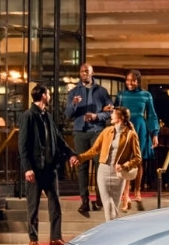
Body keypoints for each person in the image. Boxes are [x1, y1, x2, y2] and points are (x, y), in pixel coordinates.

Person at [19, 84, 76, 245]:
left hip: (50, 168)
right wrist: (27, 168)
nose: (50, 96)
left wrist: (71, 154)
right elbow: (22, 145)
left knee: (55, 204)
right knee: (33, 206)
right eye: (49, 93)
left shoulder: (48, 116)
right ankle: (33, 238)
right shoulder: (28, 116)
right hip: (35, 169)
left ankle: (55, 237)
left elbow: (58, 139)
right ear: (43, 95)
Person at [70, 107, 141, 222]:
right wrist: (80, 157)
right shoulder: (107, 131)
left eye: (113, 114)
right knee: (108, 203)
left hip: (118, 174)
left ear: (121, 118)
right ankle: (110, 230)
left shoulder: (131, 135)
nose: (111, 116)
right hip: (103, 171)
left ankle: (112, 232)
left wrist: (125, 166)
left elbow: (138, 158)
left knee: (115, 206)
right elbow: (94, 150)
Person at [64, 63, 114, 217]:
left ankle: (100, 198)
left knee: (100, 165)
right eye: (82, 71)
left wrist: (97, 116)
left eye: (87, 71)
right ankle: (84, 200)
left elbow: (111, 111)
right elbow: (67, 115)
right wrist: (73, 104)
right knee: (82, 167)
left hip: (97, 132)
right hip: (80, 132)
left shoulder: (102, 91)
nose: (84, 74)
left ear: (92, 73)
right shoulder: (73, 92)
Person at [114, 70, 159, 211]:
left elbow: (152, 115)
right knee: (124, 160)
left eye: (133, 80)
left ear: (138, 81)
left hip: (140, 128)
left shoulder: (146, 95)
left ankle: (137, 191)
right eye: (128, 80)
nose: (130, 83)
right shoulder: (121, 95)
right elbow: (115, 112)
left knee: (138, 161)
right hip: (124, 128)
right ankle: (125, 195)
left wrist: (155, 134)